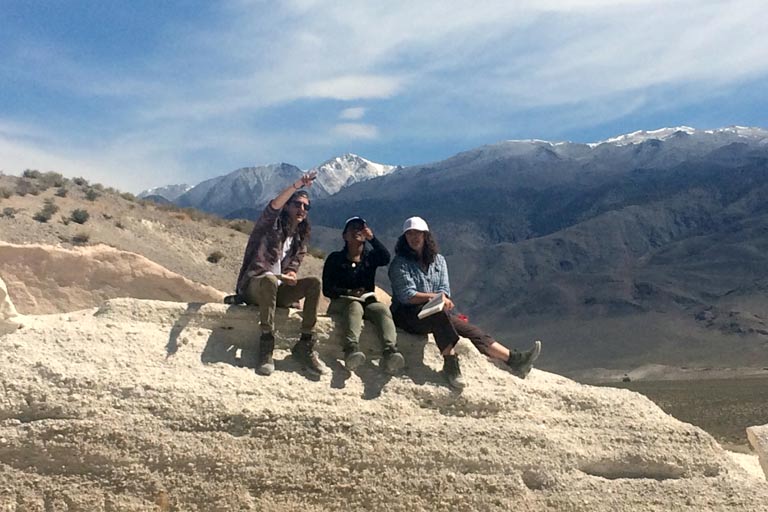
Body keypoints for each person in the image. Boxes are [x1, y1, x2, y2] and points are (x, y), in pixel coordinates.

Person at [388, 216, 541, 389]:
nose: (414, 238)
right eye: (409, 234)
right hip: (408, 315)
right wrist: (434, 298)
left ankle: (513, 359)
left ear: (425, 236)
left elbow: (444, 289)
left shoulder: (438, 261)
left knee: (471, 331)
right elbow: (407, 295)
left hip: (434, 310)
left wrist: (440, 299)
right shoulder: (400, 264)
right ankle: (451, 364)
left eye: (418, 233)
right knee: (439, 315)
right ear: (404, 238)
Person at [235, 171, 324, 377]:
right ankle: (266, 343)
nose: (302, 209)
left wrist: (291, 275)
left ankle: (305, 343)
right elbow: (273, 206)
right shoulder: (270, 225)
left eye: (306, 206)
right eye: (297, 204)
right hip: (255, 285)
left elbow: (293, 266)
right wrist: (298, 184)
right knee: (268, 279)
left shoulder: (301, 239)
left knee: (313, 283)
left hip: (278, 288)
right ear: (287, 206)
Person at [322, 217, 405, 373]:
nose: (356, 231)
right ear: (344, 236)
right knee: (355, 306)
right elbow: (327, 289)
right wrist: (348, 292)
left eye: (360, 228)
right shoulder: (335, 259)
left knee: (381, 310)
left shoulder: (369, 258)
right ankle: (351, 349)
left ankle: (390, 351)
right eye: (352, 228)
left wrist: (372, 238)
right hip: (342, 302)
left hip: (366, 301)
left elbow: (385, 257)